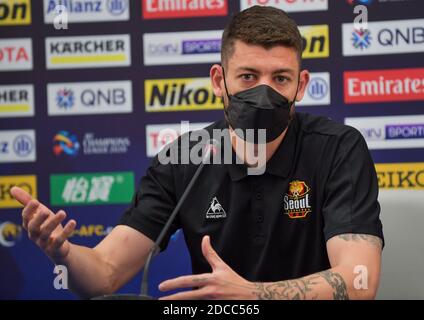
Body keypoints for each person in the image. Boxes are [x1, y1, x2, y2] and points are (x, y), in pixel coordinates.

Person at [11, 6, 383, 300]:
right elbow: (105, 273)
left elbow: (359, 282)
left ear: (301, 85)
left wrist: (251, 295)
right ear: (219, 81)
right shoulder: (186, 158)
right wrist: (65, 254)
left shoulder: (339, 148)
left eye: (280, 79)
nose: (264, 93)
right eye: (249, 77)